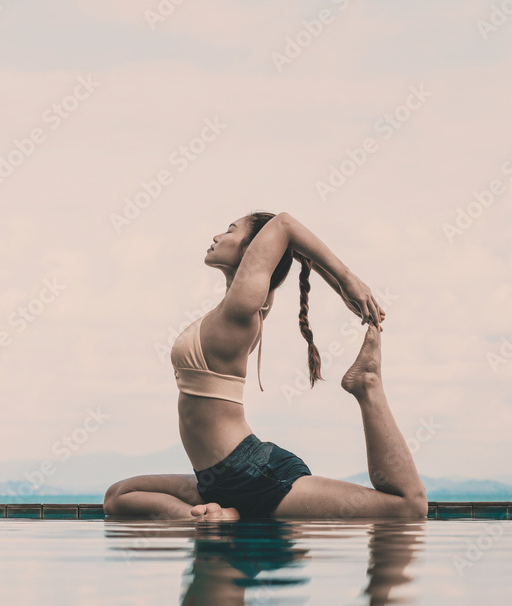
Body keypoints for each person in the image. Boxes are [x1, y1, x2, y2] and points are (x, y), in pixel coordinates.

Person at [103, 211, 427, 520]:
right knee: (119, 496)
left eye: (230, 230)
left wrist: (347, 281)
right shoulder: (238, 307)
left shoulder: (242, 308)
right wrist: (341, 288)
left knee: (409, 507)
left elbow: (284, 224)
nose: (216, 236)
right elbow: (290, 244)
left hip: (253, 475)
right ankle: (206, 517)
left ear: (252, 249)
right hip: (218, 480)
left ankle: (368, 384)